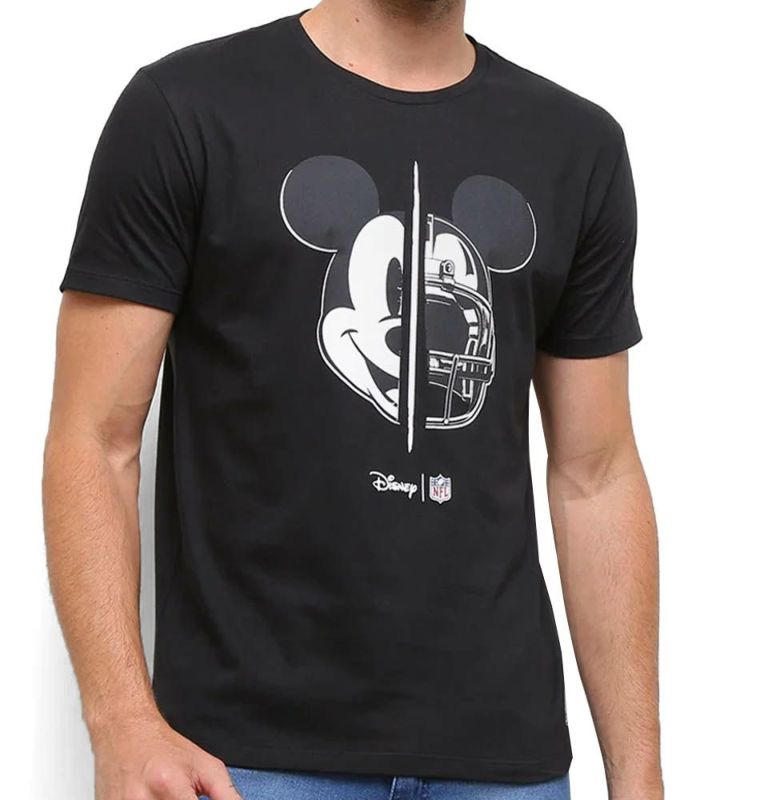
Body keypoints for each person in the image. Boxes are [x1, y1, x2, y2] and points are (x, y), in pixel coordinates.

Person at [43, 1, 662, 799]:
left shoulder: (575, 145)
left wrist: (639, 777)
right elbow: (95, 439)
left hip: (506, 761)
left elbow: (596, 473)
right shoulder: (186, 109)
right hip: (246, 761)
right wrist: (121, 722)